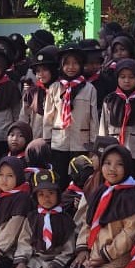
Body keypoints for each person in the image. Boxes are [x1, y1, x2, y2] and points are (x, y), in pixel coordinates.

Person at [61, 144, 135, 268]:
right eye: (107, 163)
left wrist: (104, 256)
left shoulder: (132, 196)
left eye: (119, 164)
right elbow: (88, 221)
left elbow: (129, 234)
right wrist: (83, 249)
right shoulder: (100, 191)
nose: (112, 169)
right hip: (93, 253)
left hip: (114, 259)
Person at [7, 168, 75, 268]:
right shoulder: (32, 218)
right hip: (36, 260)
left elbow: (69, 249)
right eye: (41, 194)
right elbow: (24, 241)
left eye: (51, 193)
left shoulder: (66, 220)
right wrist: (22, 262)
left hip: (55, 261)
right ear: (35, 197)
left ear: (58, 194)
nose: (46, 198)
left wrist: (55, 264)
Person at [43, 44, 98, 189]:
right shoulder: (54, 88)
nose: (71, 67)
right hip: (59, 142)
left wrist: (93, 144)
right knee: (59, 178)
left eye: (75, 63)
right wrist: (47, 140)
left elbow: (93, 119)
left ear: (81, 65)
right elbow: (48, 116)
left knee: (79, 179)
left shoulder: (89, 89)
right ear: (61, 66)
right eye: (66, 63)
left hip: (81, 142)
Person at [99, 58, 135, 172]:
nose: (127, 80)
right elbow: (103, 128)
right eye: (122, 77)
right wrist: (101, 152)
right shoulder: (109, 99)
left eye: (131, 77)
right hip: (113, 150)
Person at [20, 46, 58, 139]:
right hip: (35, 138)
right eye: (37, 71)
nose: (41, 74)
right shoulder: (31, 92)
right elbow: (24, 117)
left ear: (52, 70)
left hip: (56, 140)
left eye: (45, 69)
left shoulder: (61, 90)